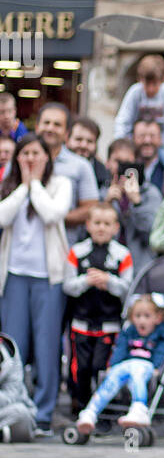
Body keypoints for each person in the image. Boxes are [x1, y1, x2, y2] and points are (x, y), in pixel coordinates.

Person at [0, 134, 71, 436]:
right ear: (17, 157)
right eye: (25, 153)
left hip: (48, 278)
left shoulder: (60, 184)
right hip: (14, 276)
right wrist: (23, 187)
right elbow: (2, 217)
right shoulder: (10, 185)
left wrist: (36, 185)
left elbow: (53, 214)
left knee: (46, 347)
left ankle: (43, 414)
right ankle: (15, 408)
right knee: (14, 348)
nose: (30, 158)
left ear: (47, 157)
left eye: (36, 153)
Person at [63, 202, 134, 414]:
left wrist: (108, 281)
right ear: (88, 225)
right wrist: (88, 281)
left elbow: (127, 288)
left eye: (107, 223)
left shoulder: (122, 254)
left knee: (102, 369)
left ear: (116, 227)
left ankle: (104, 412)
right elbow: (68, 286)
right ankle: (81, 408)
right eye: (97, 223)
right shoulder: (77, 251)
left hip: (109, 324)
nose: (101, 228)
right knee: (81, 369)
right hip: (81, 323)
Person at [75, 293, 164, 433]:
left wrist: (157, 366)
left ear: (157, 318)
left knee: (137, 375)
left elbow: (161, 351)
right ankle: (90, 412)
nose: (141, 321)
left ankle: (139, 408)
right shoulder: (129, 331)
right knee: (111, 380)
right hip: (126, 364)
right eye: (138, 316)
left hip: (145, 365)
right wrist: (112, 365)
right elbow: (120, 349)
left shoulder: (162, 333)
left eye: (146, 316)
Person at [35, 102, 99, 246]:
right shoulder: (21, 159)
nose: (50, 128)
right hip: (22, 251)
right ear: (37, 126)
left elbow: (90, 208)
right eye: (46, 123)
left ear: (66, 133)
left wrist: (53, 217)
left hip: (63, 248)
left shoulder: (81, 165)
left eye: (57, 124)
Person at [114, 54, 164, 165]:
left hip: (163, 145)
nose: (150, 89)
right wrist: (121, 145)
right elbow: (123, 121)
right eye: (147, 84)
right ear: (139, 79)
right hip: (137, 144)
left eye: (155, 84)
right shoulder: (135, 92)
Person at [102, 138, 162, 273]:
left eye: (127, 163)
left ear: (135, 165)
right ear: (108, 163)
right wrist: (106, 204)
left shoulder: (150, 193)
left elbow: (153, 235)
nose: (122, 167)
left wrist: (137, 202)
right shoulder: (101, 193)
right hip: (107, 270)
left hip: (140, 269)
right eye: (118, 161)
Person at [67, 116, 110, 192]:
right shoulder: (54, 167)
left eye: (89, 141)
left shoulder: (104, 174)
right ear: (67, 140)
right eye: (78, 139)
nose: (84, 145)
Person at [132, 119, 164, 194]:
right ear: (133, 138)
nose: (147, 141)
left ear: (160, 139)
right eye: (141, 136)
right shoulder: (126, 170)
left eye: (152, 136)